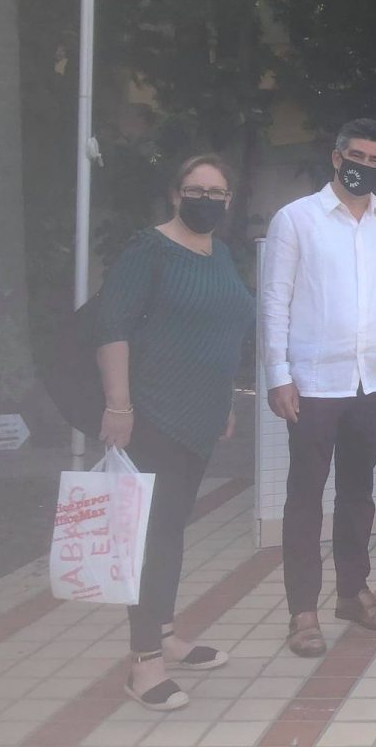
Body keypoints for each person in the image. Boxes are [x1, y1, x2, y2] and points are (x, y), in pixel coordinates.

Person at [96, 155, 254, 712]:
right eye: (197, 189)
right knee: (154, 538)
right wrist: (118, 404)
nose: (207, 199)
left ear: (228, 201)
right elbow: (111, 324)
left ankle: (163, 633)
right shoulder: (151, 249)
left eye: (217, 192)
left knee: (173, 530)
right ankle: (143, 665)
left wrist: (227, 400)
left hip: (202, 417)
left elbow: (224, 328)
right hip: (154, 415)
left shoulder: (221, 254)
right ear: (175, 194)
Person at [260, 118, 376, 656]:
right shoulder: (296, 220)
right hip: (314, 383)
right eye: (357, 157)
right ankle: (302, 611)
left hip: (375, 380)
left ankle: (352, 592)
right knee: (304, 495)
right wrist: (278, 374)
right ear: (336, 156)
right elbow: (274, 301)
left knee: (358, 492)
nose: (365, 167)